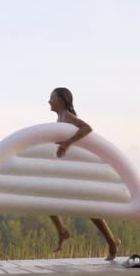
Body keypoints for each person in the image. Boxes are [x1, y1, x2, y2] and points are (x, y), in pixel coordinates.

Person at [47, 87, 121, 261]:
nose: (48, 101)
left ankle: (111, 242)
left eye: (51, 97)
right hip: (65, 168)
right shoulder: (60, 118)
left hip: (74, 170)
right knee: (47, 198)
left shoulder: (66, 116)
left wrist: (67, 143)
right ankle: (62, 231)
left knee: (89, 208)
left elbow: (87, 128)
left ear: (61, 100)